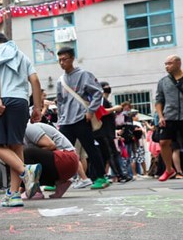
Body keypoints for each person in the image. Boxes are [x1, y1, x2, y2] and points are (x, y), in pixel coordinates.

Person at [0, 31, 43, 207]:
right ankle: (13, 194)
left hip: (0, 100)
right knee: (16, 146)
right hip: (21, 101)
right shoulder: (22, 55)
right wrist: (37, 107)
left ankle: (25, 171)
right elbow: (35, 80)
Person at [54, 47, 109, 190]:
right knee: (63, 152)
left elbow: (97, 92)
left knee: (90, 148)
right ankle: (58, 180)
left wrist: (91, 111)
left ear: (72, 58)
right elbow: (60, 101)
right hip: (66, 121)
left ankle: (101, 177)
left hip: (81, 119)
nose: (62, 63)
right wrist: (60, 118)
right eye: (59, 60)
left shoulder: (84, 74)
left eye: (64, 59)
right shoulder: (60, 80)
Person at [23, 122, 80, 199]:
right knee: (19, 160)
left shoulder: (28, 128)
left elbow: (50, 145)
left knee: (26, 153)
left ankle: (36, 191)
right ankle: (61, 182)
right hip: (63, 164)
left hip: (67, 158)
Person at [94, 82, 129, 183]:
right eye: (106, 87)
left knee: (108, 154)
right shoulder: (99, 99)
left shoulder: (103, 99)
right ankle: (120, 175)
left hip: (107, 131)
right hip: (102, 131)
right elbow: (101, 111)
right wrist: (114, 109)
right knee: (110, 154)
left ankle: (115, 175)